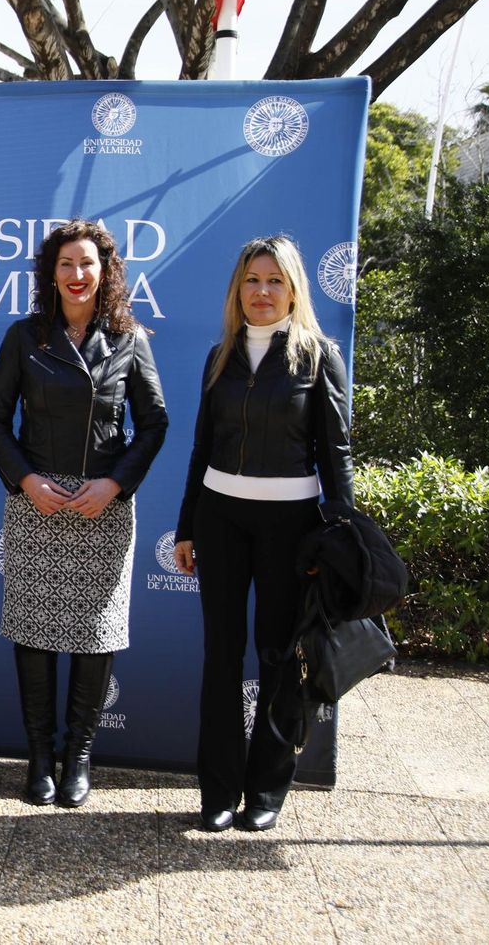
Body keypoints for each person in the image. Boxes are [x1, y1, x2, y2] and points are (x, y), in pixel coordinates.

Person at [0, 219, 167, 808]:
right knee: (34, 630)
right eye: (66, 264)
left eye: (87, 263)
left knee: (95, 635)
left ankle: (79, 756)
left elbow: (154, 423)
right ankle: (40, 757)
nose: (77, 274)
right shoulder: (25, 336)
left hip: (101, 508)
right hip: (36, 502)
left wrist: (114, 484)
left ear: (105, 271)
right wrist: (25, 479)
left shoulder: (130, 338)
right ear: (51, 273)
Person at [173, 235, 353, 833]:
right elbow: (202, 447)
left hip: (290, 526)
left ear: (293, 290)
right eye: (252, 280)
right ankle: (219, 791)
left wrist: (337, 534)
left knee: (278, 658)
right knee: (221, 656)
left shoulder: (318, 357)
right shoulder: (219, 355)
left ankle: (268, 789)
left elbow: (336, 453)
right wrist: (187, 526)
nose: (262, 291)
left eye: (275, 280)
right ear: (238, 289)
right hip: (220, 520)